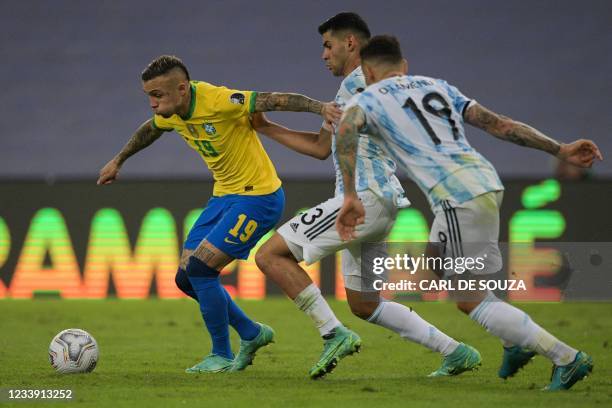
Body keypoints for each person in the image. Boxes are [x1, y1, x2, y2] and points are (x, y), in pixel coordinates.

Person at [335, 35, 602, 390]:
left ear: (367, 71)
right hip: (486, 181)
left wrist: (350, 194)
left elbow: (345, 132)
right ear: (405, 65)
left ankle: (566, 358)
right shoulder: (438, 86)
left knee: (469, 299)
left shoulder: (367, 98)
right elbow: (501, 125)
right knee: (434, 262)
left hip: (456, 196)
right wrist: (560, 149)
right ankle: (515, 344)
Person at [255, 13, 481, 380]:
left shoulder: (358, 83)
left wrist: (349, 195)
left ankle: (333, 334)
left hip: (363, 199)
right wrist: (266, 128)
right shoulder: (366, 86)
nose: (323, 55)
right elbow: (319, 147)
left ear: (351, 44)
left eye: (328, 45)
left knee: (269, 255)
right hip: (383, 202)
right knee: (364, 304)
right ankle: (455, 351)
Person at [97, 55, 341, 373]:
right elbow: (152, 128)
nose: (153, 104)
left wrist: (320, 108)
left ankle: (221, 354)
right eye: (149, 96)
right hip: (224, 197)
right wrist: (119, 160)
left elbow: (274, 99)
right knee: (186, 279)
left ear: (182, 89)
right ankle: (252, 333)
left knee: (200, 270)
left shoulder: (220, 100)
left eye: (158, 95)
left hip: (258, 197)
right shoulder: (171, 113)